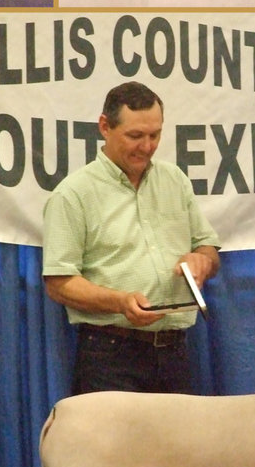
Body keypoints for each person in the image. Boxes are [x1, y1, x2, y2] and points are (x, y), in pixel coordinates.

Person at [42, 81, 221, 395]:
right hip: (109, 355)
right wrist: (119, 301)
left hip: (174, 351)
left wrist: (202, 260)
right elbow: (58, 283)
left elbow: (208, 248)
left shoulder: (175, 180)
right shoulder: (73, 195)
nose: (147, 146)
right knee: (110, 447)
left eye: (155, 135)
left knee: (176, 446)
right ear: (104, 127)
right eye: (135, 136)